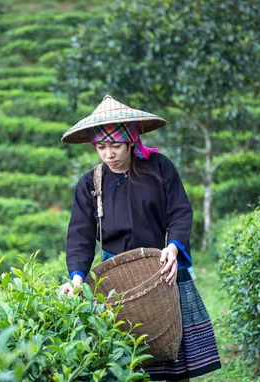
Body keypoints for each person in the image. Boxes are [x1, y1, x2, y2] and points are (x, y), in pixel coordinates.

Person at [59, 95, 221, 380]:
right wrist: (76, 279)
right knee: (126, 357)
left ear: (131, 141)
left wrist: (173, 247)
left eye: (115, 146)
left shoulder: (158, 167)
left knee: (170, 351)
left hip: (161, 266)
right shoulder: (90, 183)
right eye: (101, 146)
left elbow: (180, 212)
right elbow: (80, 236)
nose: (108, 154)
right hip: (116, 276)